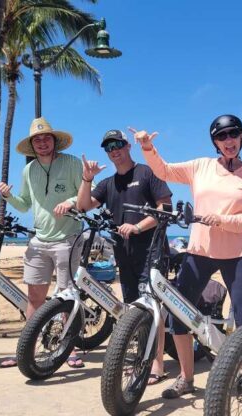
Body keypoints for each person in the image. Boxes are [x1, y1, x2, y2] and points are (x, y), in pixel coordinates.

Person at [131, 114, 242, 399]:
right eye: (222, 136)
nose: (229, 140)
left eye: (233, 134)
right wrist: (147, 148)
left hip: (236, 253)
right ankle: (186, 378)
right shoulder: (200, 166)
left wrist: (224, 220)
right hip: (199, 250)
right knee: (179, 313)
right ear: (215, 141)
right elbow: (164, 171)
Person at [76, 129, 173, 384]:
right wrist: (86, 180)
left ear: (128, 145)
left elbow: (166, 207)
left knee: (153, 307)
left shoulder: (146, 172)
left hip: (151, 250)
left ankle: (157, 364)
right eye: (109, 147)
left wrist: (139, 226)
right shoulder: (108, 184)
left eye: (118, 144)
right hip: (123, 253)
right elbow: (83, 206)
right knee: (133, 308)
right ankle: (143, 355)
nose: (114, 150)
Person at [0, 117, 83, 368]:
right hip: (39, 240)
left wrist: (71, 202)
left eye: (46, 138)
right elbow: (24, 204)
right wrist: (8, 195)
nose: (42, 143)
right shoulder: (29, 170)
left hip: (68, 238)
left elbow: (90, 191)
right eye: (37, 140)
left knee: (66, 297)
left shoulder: (72, 163)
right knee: (34, 298)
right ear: (32, 145)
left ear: (55, 141)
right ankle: (27, 350)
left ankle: (70, 351)